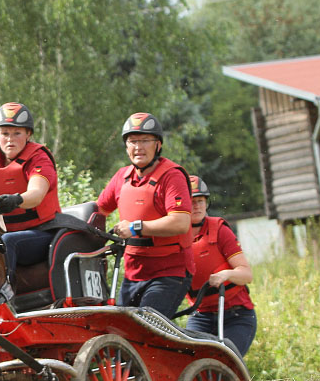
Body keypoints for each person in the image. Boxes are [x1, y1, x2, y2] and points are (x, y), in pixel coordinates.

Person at [96, 113, 192, 319]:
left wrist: (136, 227)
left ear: (157, 145)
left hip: (169, 272)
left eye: (145, 140)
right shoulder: (121, 177)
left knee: (147, 327)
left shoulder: (172, 176)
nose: (138, 147)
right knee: (120, 328)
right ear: (126, 147)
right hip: (133, 272)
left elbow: (181, 223)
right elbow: (99, 210)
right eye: (132, 141)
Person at [0, 102, 61, 286]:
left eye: (17, 133)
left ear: (28, 134)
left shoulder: (39, 158)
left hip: (43, 233)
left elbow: (36, 194)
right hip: (4, 231)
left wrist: (16, 200)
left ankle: (5, 296)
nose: (10, 139)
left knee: (8, 241)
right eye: (5, 133)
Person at [184, 175, 256, 356]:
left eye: (201, 201)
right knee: (189, 357)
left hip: (235, 314)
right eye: (192, 201)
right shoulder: (174, 236)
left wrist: (227, 274)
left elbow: (246, 274)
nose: (197, 206)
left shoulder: (220, 230)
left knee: (225, 358)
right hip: (200, 315)